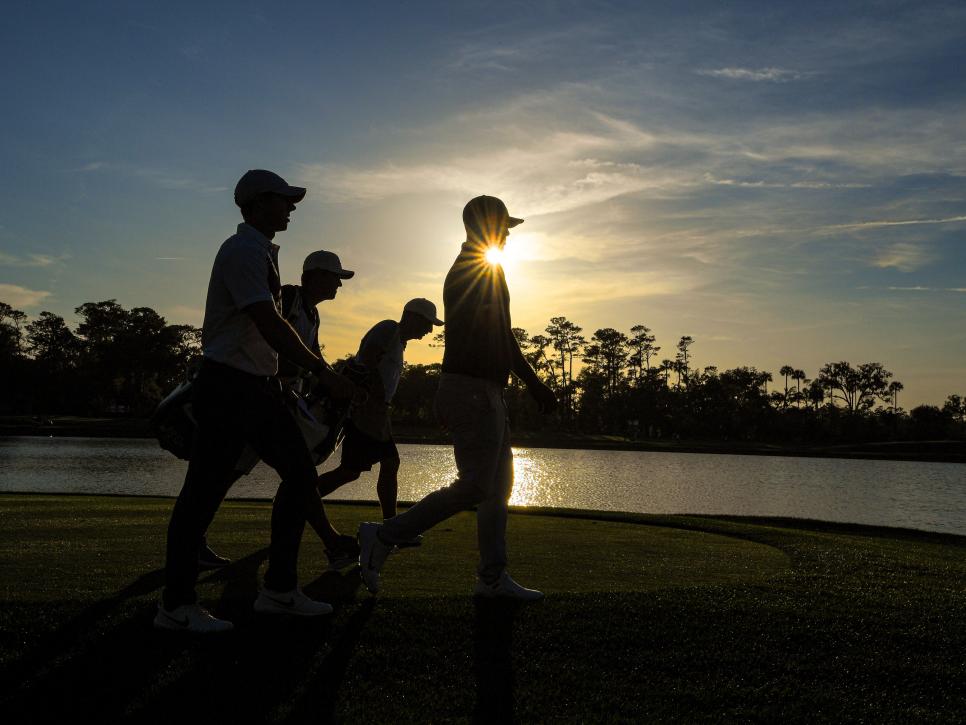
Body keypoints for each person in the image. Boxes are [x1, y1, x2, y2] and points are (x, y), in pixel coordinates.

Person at [154, 169, 356, 633]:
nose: (291, 206)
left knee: (301, 477)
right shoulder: (244, 251)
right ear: (257, 202)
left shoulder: (260, 250)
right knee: (202, 493)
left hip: (255, 387)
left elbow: (270, 333)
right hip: (229, 386)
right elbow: (269, 323)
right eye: (283, 199)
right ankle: (176, 604)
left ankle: (280, 591)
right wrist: (323, 371)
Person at [357, 195, 557, 600]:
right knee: (477, 486)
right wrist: (534, 384)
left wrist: (522, 384)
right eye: (503, 227)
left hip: (482, 389)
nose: (507, 235)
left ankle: (491, 578)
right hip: (472, 390)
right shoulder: (480, 269)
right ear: (485, 226)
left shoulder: (482, 267)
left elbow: (501, 334)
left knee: (498, 488)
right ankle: (385, 535)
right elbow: (501, 335)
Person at [198, 249, 363, 571]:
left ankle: (329, 544)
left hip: (277, 400)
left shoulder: (313, 314)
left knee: (287, 473)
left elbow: (312, 356)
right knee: (254, 473)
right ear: (314, 276)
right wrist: (313, 374)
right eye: (335, 278)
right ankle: (327, 546)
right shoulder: (287, 298)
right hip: (261, 396)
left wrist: (337, 385)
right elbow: (269, 340)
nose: (339, 286)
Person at [316, 298, 443, 528]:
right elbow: (368, 357)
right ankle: (300, 498)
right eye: (427, 323)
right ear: (412, 317)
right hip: (365, 412)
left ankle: (391, 524)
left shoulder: (398, 342)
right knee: (358, 469)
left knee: (370, 466)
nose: (429, 330)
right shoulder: (389, 328)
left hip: (375, 414)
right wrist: (375, 396)